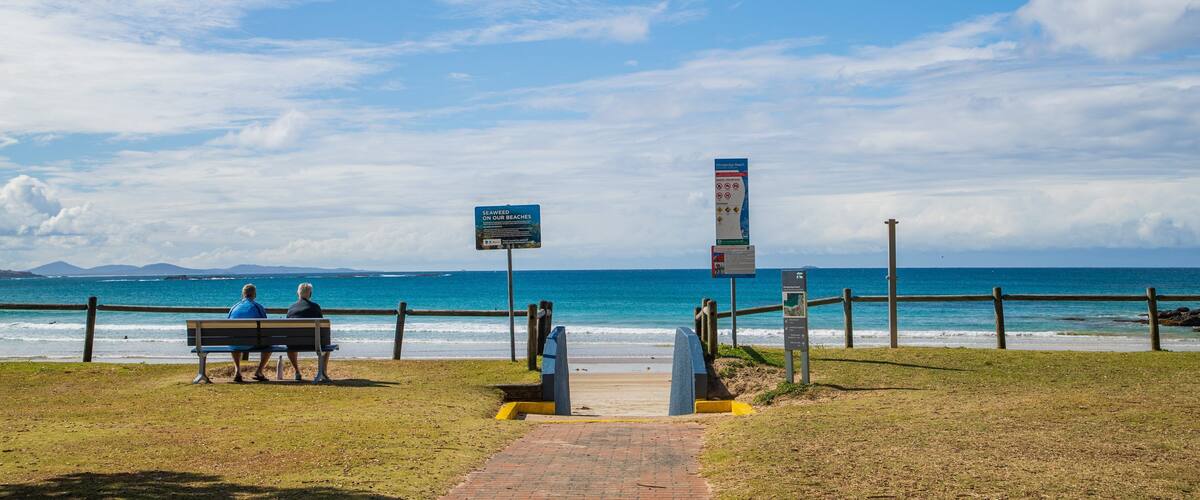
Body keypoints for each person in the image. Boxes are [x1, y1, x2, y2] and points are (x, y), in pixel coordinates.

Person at [227, 283, 271, 383]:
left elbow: (229, 327)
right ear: (254, 294)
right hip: (253, 343)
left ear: (243, 294)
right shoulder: (258, 307)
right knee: (269, 344)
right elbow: (265, 325)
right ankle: (259, 371)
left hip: (235, 343)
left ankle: (237, 371)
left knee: (235, 340)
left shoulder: (233, 308)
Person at [285, 282, 327, 381]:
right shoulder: (316, 307)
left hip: (294, 344)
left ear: (297, 294)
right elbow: (322, 329)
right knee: (325, 345)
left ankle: (297, 372)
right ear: (310, 294)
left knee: (290, 345)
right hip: (314, 344)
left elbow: (288, 331)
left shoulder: (291, 308)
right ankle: (323, 372)